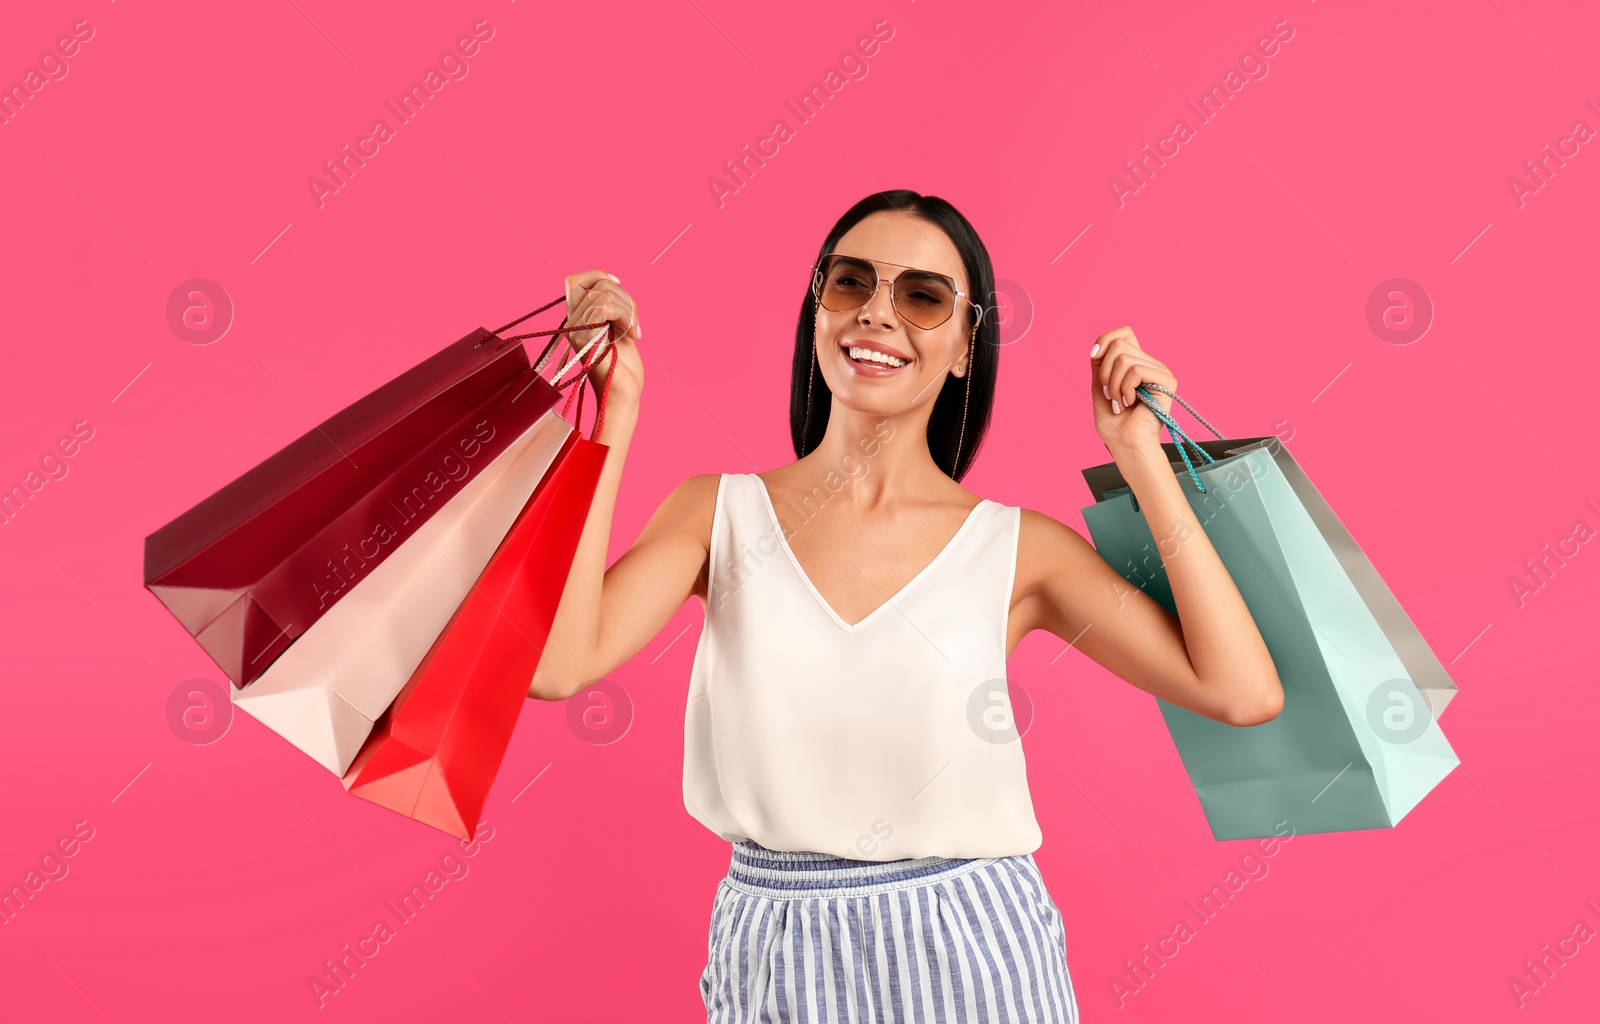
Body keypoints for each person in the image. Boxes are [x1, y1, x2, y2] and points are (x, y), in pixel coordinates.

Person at [527, 189, 1283, 1023]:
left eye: (922, 296)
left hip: (973, 947)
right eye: (850, 283)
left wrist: (1144, 457)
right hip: (775, 945)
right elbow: (559, 667)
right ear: (818, 311)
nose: (878, 315)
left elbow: (1241, 692)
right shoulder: (717, 515)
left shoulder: (1016, 548)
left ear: (967, 345)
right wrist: (611, 417)